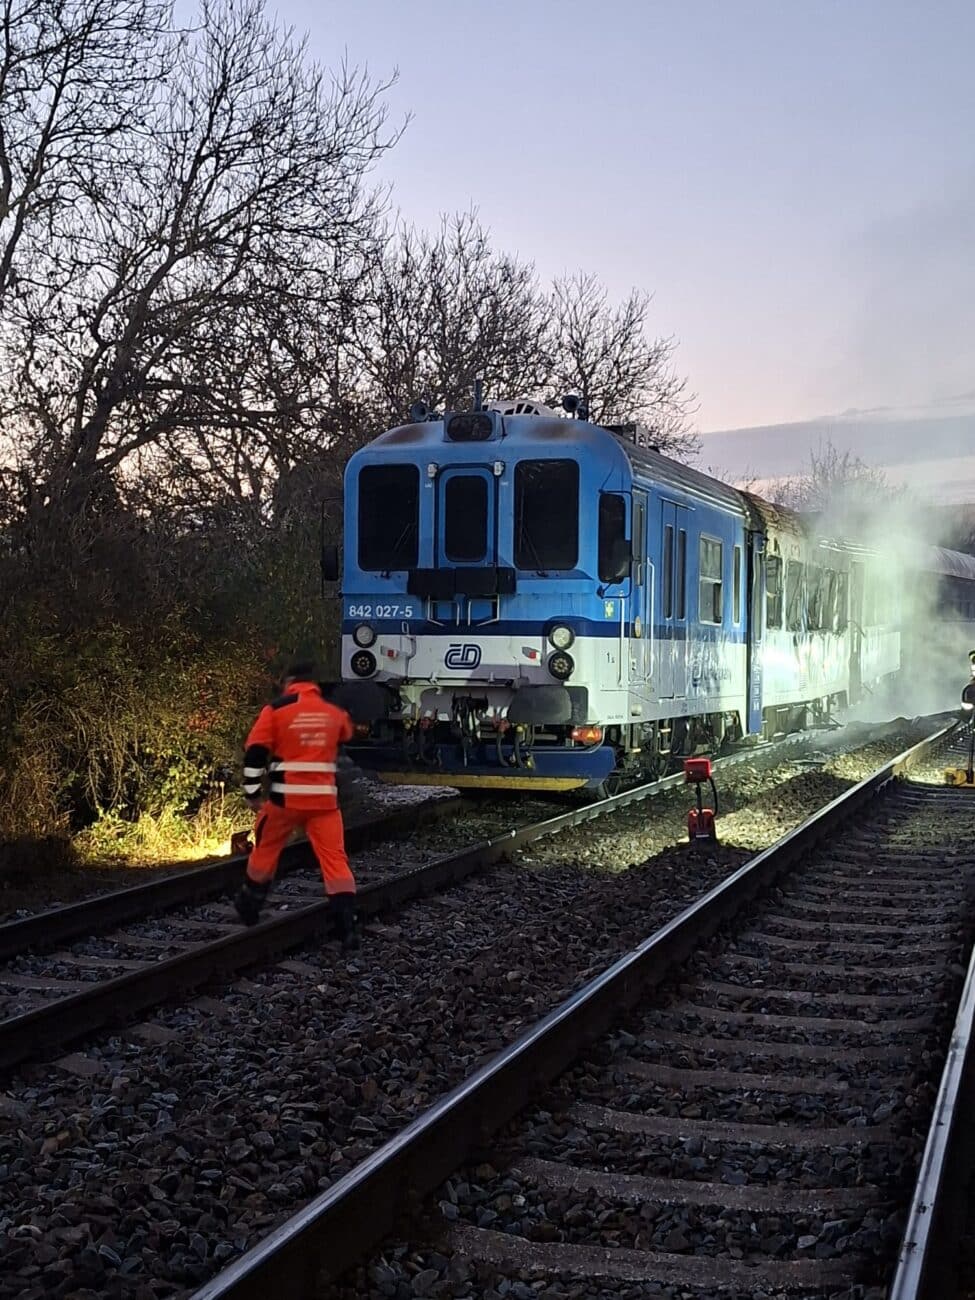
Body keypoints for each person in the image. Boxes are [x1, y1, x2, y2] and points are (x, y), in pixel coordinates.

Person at [235, 661, 358, 950]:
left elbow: (255, 753)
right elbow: (347, 735)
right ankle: (347, 925)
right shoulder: (333, 713)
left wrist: (252, 793)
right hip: (324, 802)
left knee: (266, 849)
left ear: (290, 682)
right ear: (314, 683)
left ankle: (249, 905)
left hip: (285, 799)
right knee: (335, 860)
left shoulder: (276, 710)